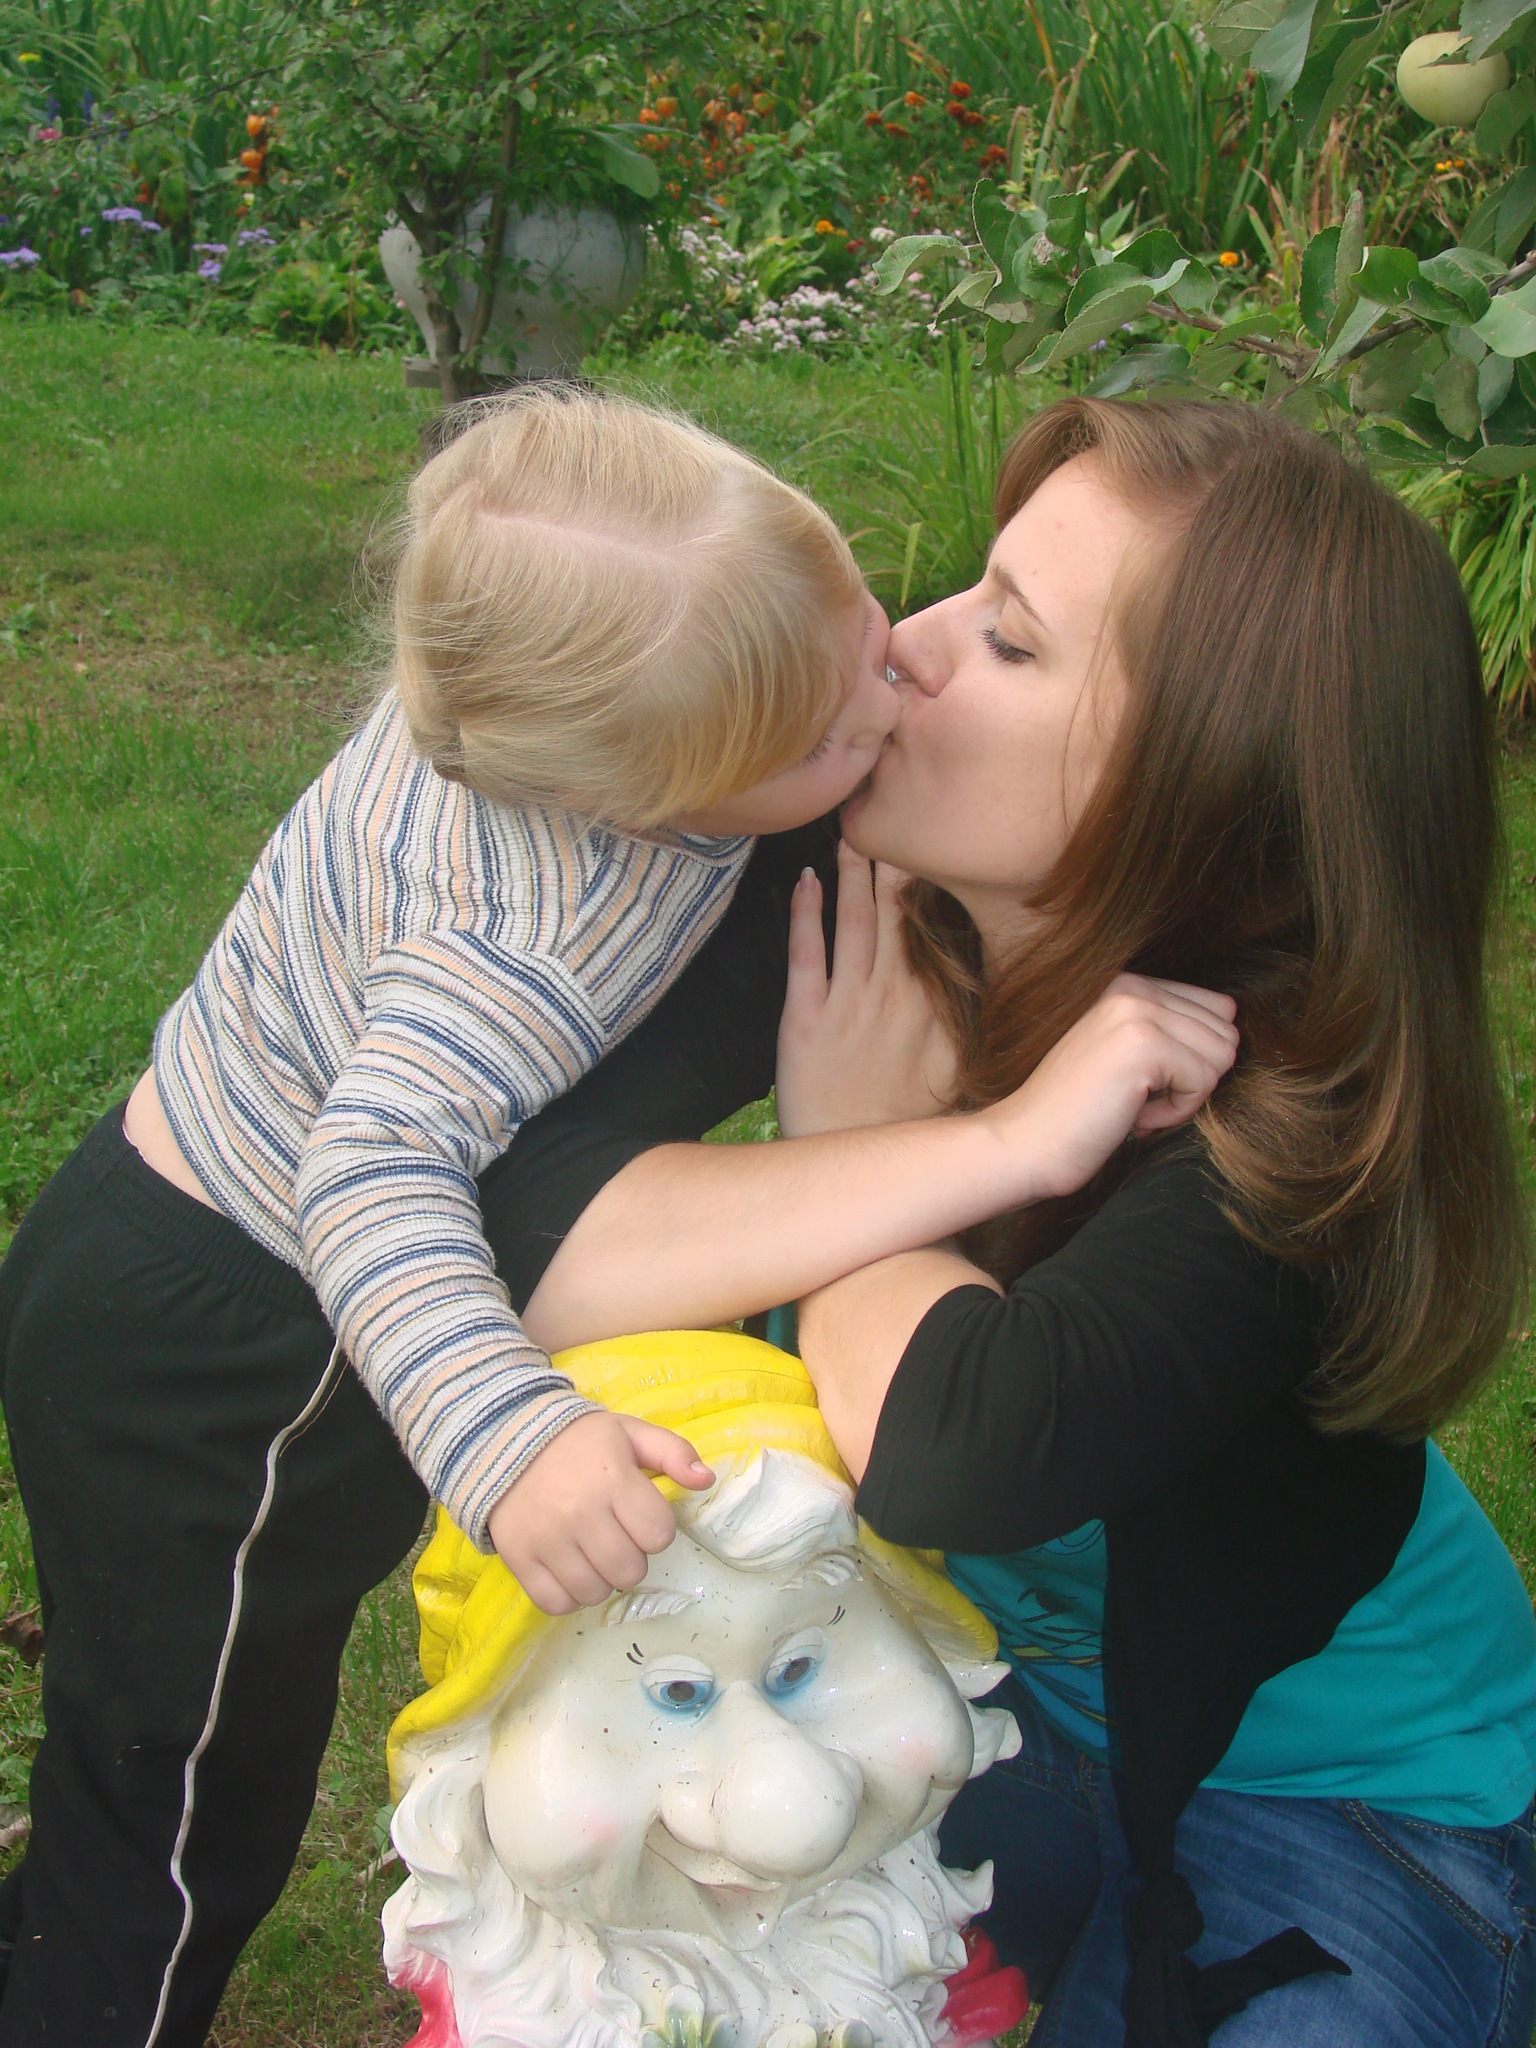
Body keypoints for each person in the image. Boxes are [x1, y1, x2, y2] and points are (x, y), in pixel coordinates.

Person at [0, 384, 1234, 2045]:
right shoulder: (515, 944)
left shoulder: (624, 672)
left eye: (859, 621)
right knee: (179, 1801)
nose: (891, 684)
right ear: (650, 798)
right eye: (827, 737)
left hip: (222, 1266)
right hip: (226, 1351)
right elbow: (366, 1182)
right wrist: (508, 1438)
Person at [466, 396, 1536, 2048]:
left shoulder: (1290, 1127)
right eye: (972, 584)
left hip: (1351, 1792)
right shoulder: (876, 893)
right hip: (1010, 1710)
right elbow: (530, 1231)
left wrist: (865, 1150)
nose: (906, 643)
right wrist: (964, 1161)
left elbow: (959, 1446)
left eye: (1013, 641)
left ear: (1207, 789)